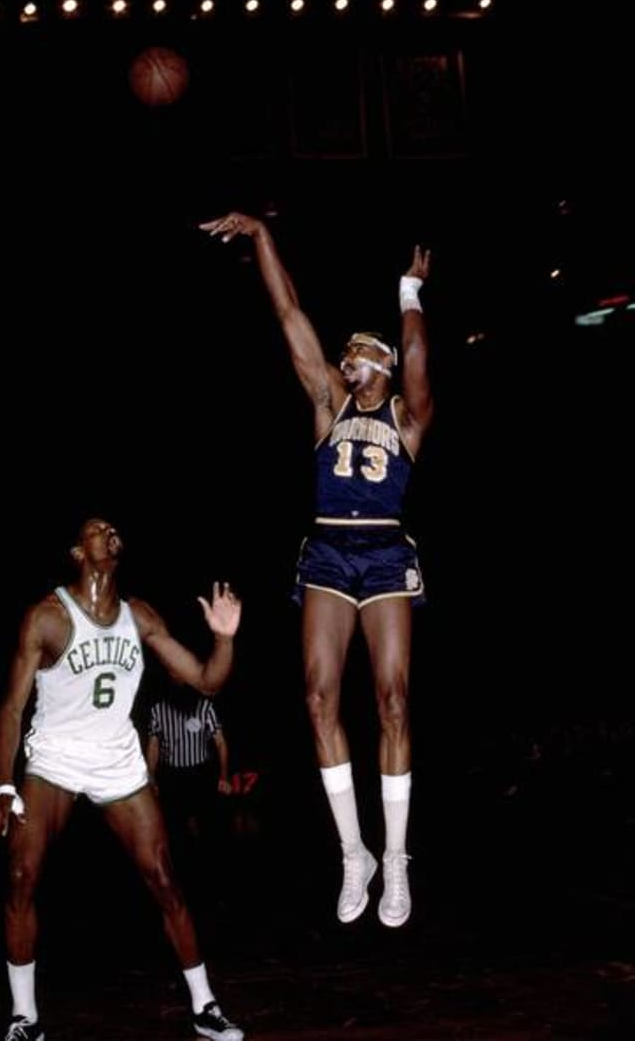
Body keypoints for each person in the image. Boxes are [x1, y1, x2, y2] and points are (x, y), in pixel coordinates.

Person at [199, 212, 432, 928]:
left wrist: (409, 294)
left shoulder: (409, 416)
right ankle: (352, 852)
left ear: (383, 365)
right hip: (329, 551)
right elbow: (289, 311)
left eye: (361, 353)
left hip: (387, 552)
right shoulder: (327, 405)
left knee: (392, 701)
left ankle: (395, 859)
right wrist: (264, 237)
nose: (347, 358)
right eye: (346, 354)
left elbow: (421, 356)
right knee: (317, 698)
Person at [0, 517, 245, 1041]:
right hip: (55, 758)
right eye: (96, 528)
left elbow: (205, 681)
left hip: (117, 759)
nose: (109, 532)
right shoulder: (47, 617)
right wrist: (3, 785)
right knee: (20, 876)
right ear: (77, 552)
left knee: (165, 878)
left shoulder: (140, 617)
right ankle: (24, 1017)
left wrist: (224, 640)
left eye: (113, 528)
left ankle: (205, 1006)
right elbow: (13, 709)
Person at [146, 683, 233, 902]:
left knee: (208, 828)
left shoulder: (205, 708)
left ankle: (213, 882)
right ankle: (182, 884)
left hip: (200, 774)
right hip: (172, 776)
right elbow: (153, 745)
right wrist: (150, 778)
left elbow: (221, 743)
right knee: (175, 831)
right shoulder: (159, 709)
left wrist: (223, 776)